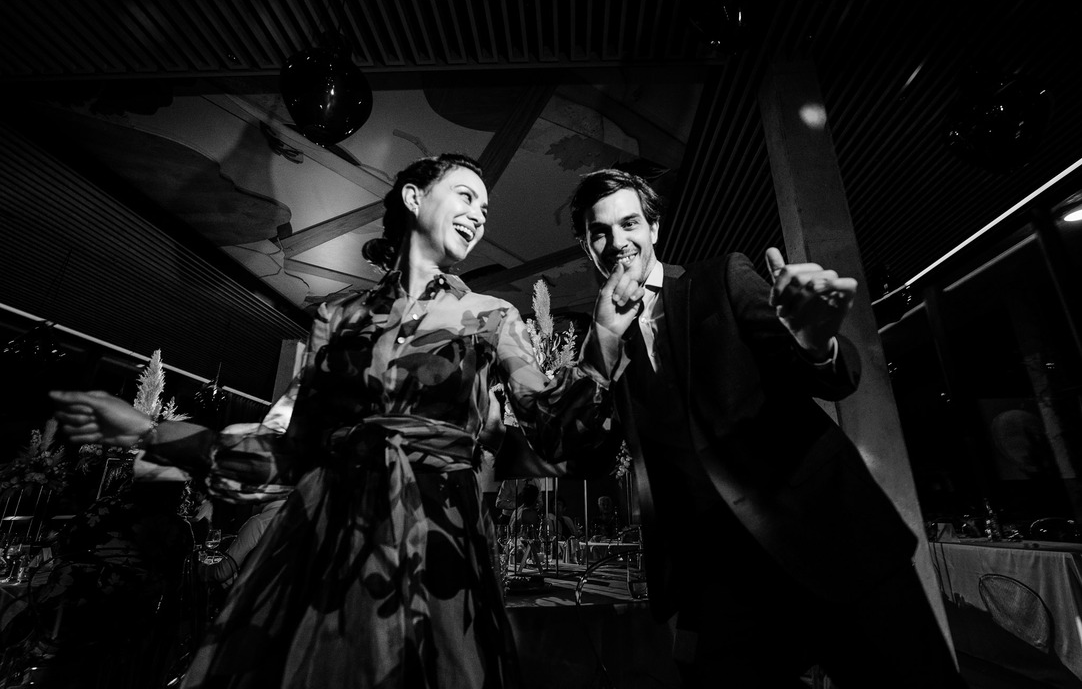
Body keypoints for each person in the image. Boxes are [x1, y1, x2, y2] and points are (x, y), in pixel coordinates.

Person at [50, 154, 638, 689]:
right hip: (334, 544)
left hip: (440, 541)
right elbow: (290, 452)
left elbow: (557, 427)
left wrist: (605, 336)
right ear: (413, 197)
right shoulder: (338, 316)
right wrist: (150, 433)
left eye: (485, 209)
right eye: (465, 196)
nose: (479, 216)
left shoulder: (490, 315)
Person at [569, 168, 967, 688]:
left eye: (630, 223)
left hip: (825, 535)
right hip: (720, 586)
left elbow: (830, 376)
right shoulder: (598, 340)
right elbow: (584, 449)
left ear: (656, 229)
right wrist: (602, 342)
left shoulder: (720, 279)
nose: (618, 242)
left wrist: (814, 344)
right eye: (600, 232)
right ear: (586, 245)